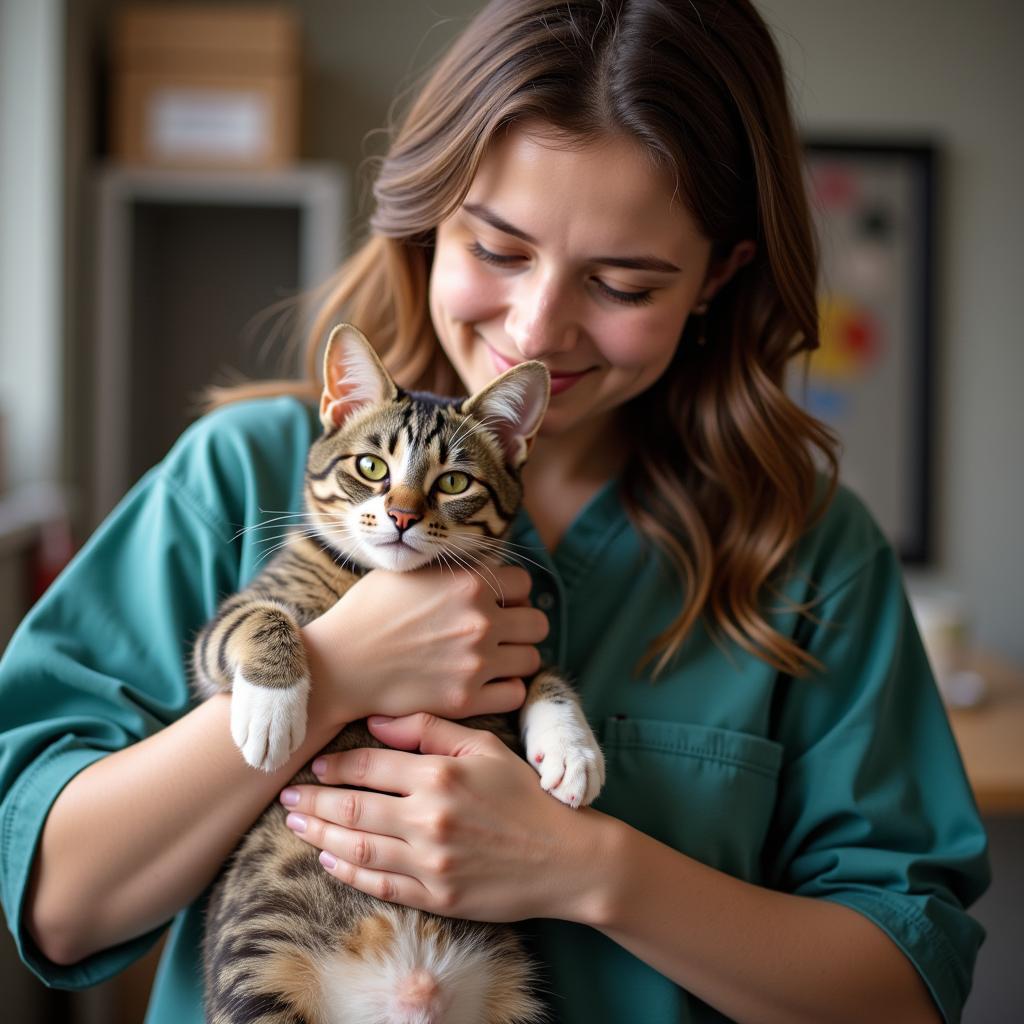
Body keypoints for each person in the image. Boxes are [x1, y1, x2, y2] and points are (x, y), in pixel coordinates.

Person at [0, 1, 989, 1022]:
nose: (534, 329)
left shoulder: (812, 553)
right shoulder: (239, 475)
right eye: (498, 249)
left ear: (716, 278)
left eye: (620, 281)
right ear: (431, 214)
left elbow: (903, 988)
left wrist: (588, 869)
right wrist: (338, 671)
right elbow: (57, 904)